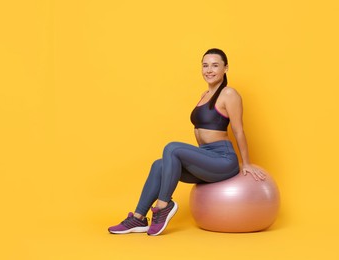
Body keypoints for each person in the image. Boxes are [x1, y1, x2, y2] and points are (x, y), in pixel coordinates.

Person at [108, 48, 266, 236]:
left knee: (172, 148)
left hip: (222, 160)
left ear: (226, 68)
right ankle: (138, 218)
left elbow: (238, 130)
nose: (209, 70)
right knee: (158, 165)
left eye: (215, 65)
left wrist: (246, 163)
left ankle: (163, 206)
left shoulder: (229, 94)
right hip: (206, 157)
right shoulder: (204, 95)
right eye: (205, 65)